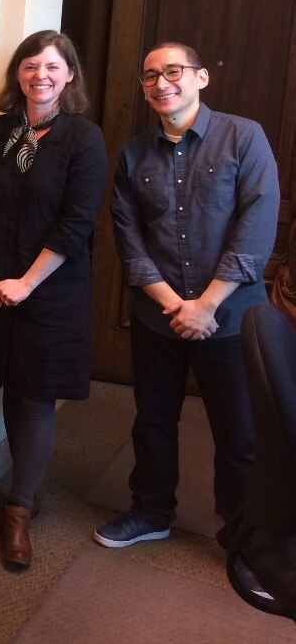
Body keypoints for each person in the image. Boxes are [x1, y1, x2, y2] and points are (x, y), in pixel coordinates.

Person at [94, 42, 280, 556]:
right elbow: (128, 242)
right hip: (160, 319)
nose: (160, 83)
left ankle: (244, 533)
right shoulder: (134, 155)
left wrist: (207, 304)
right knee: (152, 420)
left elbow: (256, 228)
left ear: (201, 77)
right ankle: (151, 510)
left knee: (239, 432)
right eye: (150, 75)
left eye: (172, 71)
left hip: (233, 315)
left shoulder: (244, 137)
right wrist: (176, 304)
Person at [0, 30, 107, 569]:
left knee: (35, 393)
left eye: (51, 66)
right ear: (16, 75)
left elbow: (76, 224)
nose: (39, 75)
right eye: (29, 65)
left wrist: (26, 282)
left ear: (69, 75)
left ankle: (19, 509)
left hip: (53, 289)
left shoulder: (83, 139)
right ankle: (15, 483)